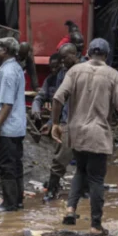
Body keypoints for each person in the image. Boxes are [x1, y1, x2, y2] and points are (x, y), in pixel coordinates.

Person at [52, 39, 118, 234]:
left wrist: (54, 124)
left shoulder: (75, 71)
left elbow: (58, 97)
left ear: (87, 53)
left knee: (80, 171)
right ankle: (95, 225)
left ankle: (70, 209)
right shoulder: (113, 75)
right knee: (96, 179)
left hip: (76, 132)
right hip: (98, 133)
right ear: (107, 55)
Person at [0, 37, 27, 212]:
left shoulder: (8, 72)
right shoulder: (13, 68)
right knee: (15, 164)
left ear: (6, 51)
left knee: (7, 166)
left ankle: (9, 204)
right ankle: (16, 201)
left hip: (6, 129)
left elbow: (7, 104)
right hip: (14, 127)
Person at [36, 45, 79, 201]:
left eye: (65, 58)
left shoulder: (84, 71)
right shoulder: (63, 74)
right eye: (60, 59)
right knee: (60, 158)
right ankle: (52, 189)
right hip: (66, 122)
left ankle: (84, 191)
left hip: (83, 121)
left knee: (85, 160)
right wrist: (52, 122)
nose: (62, 62)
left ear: (75, 55)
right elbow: (59, 100)